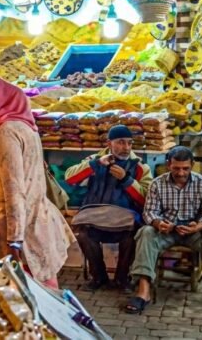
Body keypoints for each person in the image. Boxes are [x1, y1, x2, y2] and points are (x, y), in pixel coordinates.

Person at [0, 73, 75, 289]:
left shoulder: (5, 133)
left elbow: (14, 192)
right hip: (34, 222)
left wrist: (14, 241)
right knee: (43, 297)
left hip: (17, 230)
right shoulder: (21, 125)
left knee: (18, 302)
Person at [126, 146, 202, 317]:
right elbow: (149, 212)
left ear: (192, 165)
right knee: (146, 232)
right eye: (176, 168)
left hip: (194, 232)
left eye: (185, 168)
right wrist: (158, 223)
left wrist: (198, 226)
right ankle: (143, 292)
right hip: (166, 232)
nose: (181, 173)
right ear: (169, 165)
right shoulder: (157, 184)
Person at [65, 125, 153, 292]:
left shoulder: (140, 167)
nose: (126, 148)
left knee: (132, 237)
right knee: (83, 234)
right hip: (95, 218)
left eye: (129, 143)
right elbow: (70, 178)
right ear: (109, 143)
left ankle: (122, 278)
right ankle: (99, 277)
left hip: (125, 222)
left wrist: (126, 179)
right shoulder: (95, 159)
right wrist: (96, 164)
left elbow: (146, 198)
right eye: (120, 143)